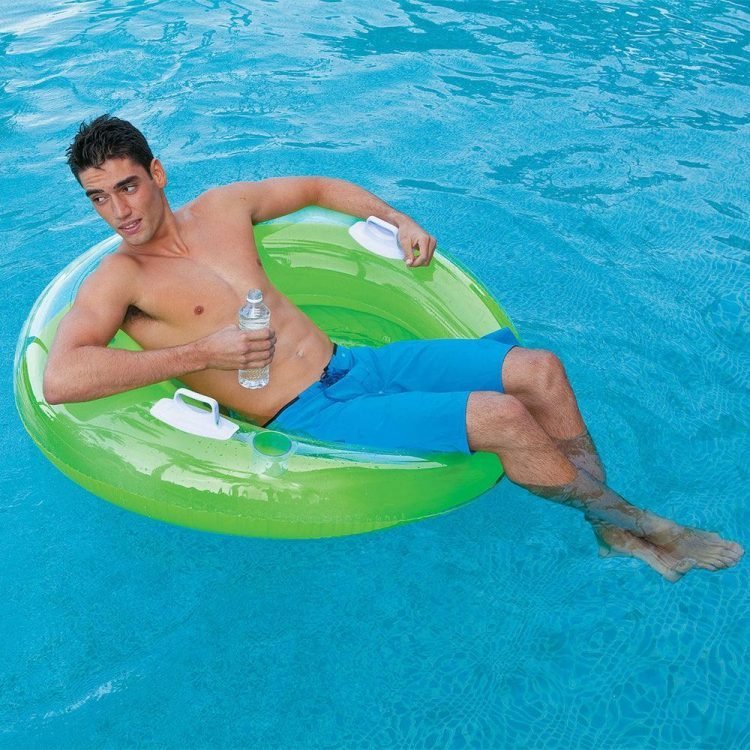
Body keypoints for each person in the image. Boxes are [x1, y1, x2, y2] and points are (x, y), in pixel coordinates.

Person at [44, 114, 743, 581]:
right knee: (502, 417)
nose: (119, 211)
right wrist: (201, 354)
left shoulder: (224, 208)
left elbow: (319, 186)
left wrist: (398, 218)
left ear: (157, 173)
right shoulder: (120, 279)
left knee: (540, 370)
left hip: (352, 363)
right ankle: (633, 521)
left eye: (127, 186)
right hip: (303, 413)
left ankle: (606, 521)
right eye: (98, 198)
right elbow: (62, 377)